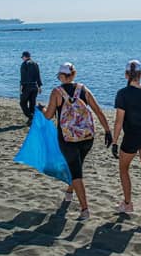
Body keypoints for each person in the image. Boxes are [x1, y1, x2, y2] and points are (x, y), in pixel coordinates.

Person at [40, 62, 111, 222]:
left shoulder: (57, 92)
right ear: (73, 74)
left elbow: (49, 116)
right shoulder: (83, 89)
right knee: (76, 166)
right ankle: (69, 192)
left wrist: (41, 109)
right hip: (87, 136)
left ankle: (85, 210)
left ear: (61, 76)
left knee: (76, 171)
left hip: (68, 138)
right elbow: (98, 110)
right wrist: (107, 131)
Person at [111, 60, 141, 220]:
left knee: (124, 169)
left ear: (126, 75)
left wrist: (114, 141)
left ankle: (128, 203)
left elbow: (119, 121)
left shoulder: (122, 93)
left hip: (131, 137)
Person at [19, 51, 42, 125]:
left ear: (25, 57)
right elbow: (38, 76)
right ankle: (31, 120)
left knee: (22, 103)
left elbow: (23, 77)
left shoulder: (24, 64)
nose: (22, 58)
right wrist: (39, 86)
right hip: (35, 86)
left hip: (27, 86)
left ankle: (31, 117)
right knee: (32, 103)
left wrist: (21, 86)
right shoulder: (35, 64)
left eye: (22, 57)